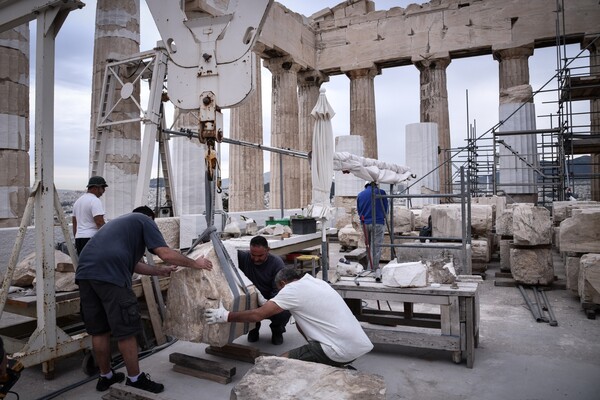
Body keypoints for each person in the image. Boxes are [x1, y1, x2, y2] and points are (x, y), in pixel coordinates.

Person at [75, 206, 213, 394]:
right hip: (110, 275)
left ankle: (105, 376)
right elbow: (164, 253)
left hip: (85, 273)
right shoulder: (145, 220)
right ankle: (135, 379)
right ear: (151, 218)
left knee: (99, 331)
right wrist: (195, 263)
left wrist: (159, 271)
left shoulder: (119, 225)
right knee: (126, 330)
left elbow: (134, 264)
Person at [205, 266, 373, 368]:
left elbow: (258, 315)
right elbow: (301, 324)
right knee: (306, 355)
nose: (281, 294)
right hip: (358, 344)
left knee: (276, 364)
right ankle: (331, 364)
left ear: (283, 284)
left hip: (338, 350)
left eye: (280, 290)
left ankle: (332, 365)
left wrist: (225, 316)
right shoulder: (316, 282)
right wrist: (271, 301)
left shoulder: (291, 290)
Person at [237, 235, 290, 345]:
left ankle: (277, 330)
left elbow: (279, 291)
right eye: (253, 255)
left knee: (285, 309)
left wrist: (266, 305)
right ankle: (253, 328)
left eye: (260, 255)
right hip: (251, 299)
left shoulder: (277, 263)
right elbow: (225, 252)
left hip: (271, 299)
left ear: (268, 250)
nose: (256, 259)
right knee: (241, 305)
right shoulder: (244, 257)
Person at [357, 181, 389, 269]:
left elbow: (359, 211)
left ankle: (369, 266)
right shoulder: (381, 192)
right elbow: (385, 209)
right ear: (376, 185)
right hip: (378, 223)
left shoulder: (360, 195)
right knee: (376, 248)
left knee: (368, 246)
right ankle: (372, 269)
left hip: (365, 223)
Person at [72, 176, 108, 254]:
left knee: (84, 265)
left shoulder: (78, 202)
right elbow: (99, 222)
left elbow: (75, 223)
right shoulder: (95, 201)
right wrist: (108, 238)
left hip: (79, 239)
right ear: (95, 188)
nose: (104, 191)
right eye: (103, 188)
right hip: (91, 239)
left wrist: (76, 238)